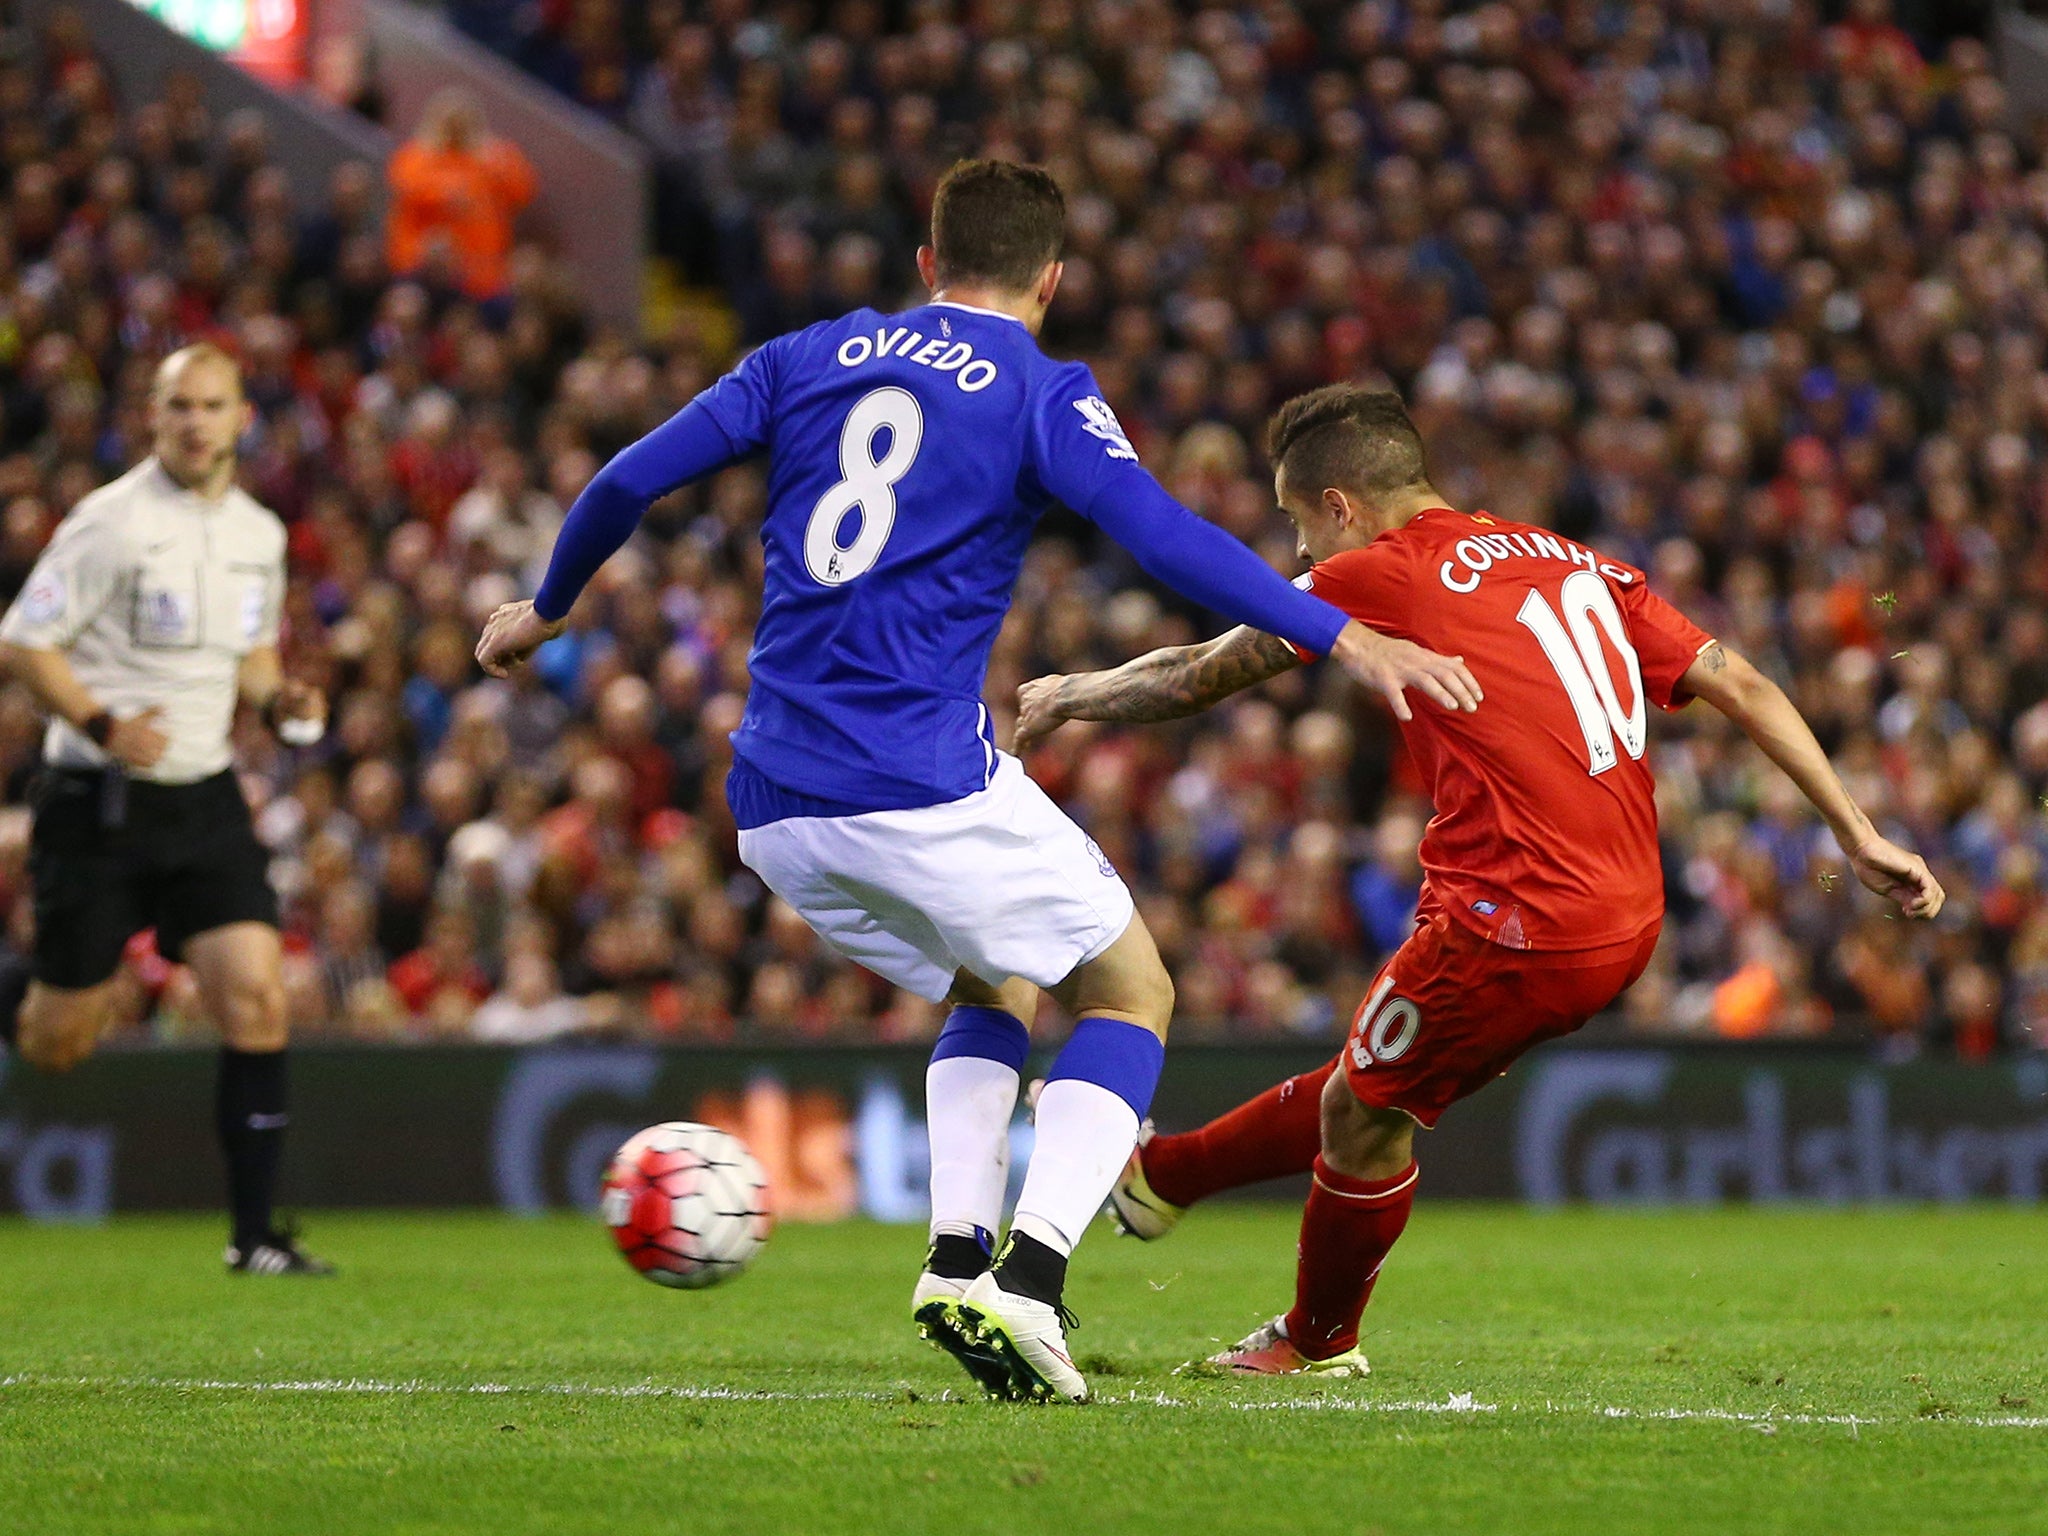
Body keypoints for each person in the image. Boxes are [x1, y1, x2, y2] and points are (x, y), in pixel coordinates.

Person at [476, 161, 1480, 1401]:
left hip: (773, 803)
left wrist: (548, 608)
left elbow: (626, 477)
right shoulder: (1036, 389)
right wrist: (1339, 634)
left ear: (923, 264)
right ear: (1051, 280)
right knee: (1130, 991)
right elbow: (1162, 536)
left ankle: (957, 1258)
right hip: (913, 778)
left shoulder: (806, 355)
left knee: (991, 976)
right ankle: (1032, 1282)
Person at [1014, 385, 1942, 1375]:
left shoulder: (1381, 571)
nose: (1297, 557)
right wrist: (1855, 830)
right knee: (1376, 1081)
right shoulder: (1567, 558)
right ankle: (1161, 1181)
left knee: (1363, 1115)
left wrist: (1073, 693)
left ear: (1340, 506)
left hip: (1516, 913)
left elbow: (1207, 670)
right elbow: (1741, 680)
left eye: (1295, 524)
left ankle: (1313, 1341)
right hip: (1624, 915)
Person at [0, 344, 333, 1275]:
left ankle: (256, 1238)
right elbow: (25, 642)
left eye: (212, 405)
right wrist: (103, 723)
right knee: (60, 1039)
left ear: (241, 420)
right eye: (178, 405)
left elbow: (252, 656)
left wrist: (279, 702)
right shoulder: (109, 523)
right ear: (153, 418)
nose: (195, 421)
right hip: (97, 802)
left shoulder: (259, 534)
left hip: (206, 797)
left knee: (259, 997)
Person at [385, 88, 537, 303]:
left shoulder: (495, 156)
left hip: (481, 274)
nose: (455, 129)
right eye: (449, 122)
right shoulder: (417, 154)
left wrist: (494, 160)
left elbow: (523, 191)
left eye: (463, 122)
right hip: (419, 270)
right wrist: (448, 191)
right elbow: (407, 186)